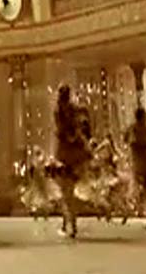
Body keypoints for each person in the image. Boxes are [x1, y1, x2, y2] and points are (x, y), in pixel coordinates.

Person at [53, 84, 92, 238]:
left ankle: (70, 224)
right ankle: (68, 223)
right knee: (68, 192)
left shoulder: (59, 111)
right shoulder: (72, 109)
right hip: (76, 153)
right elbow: (82, 117)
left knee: (66, 192)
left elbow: (61, 129)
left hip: (65, 153)